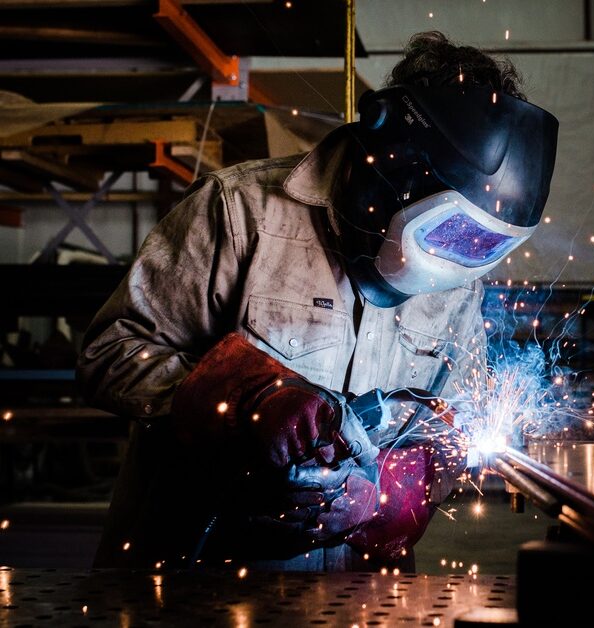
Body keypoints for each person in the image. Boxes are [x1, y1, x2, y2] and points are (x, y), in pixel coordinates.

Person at [77, 31, 559, 571]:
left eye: (477, 244)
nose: (455, 259)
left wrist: (391, 494)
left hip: (357, 596)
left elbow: (454, 428)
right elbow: (108, 352)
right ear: (390, 164)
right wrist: (248, 400)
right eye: (443, 231)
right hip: (194, 578)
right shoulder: (241, 214)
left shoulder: (459, 280)